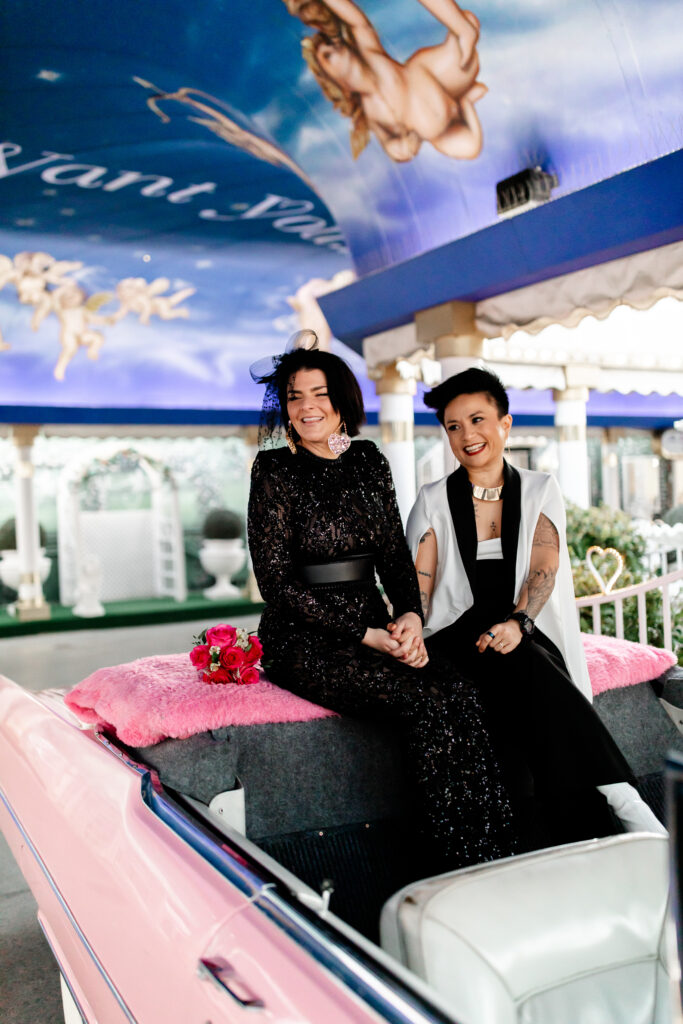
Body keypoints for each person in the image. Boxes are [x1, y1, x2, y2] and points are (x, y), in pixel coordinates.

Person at [248, 335, 515, 868]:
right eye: (295, 396)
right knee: (422, 700)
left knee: (458, 689)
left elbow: (394, 554)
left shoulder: (369, 461)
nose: (306, 407)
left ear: (342, 400)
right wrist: (367, 635)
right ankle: (449, 863)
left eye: (318, 393)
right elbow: (276, 583)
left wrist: (411, 617)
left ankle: (496, 856)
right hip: (301, 634)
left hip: (375, 621)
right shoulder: (272, 471)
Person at [407, 367, 665, 848]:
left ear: (505, 424)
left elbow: (543, 567)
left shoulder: (540, 487)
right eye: (454, 426)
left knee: (522, 662)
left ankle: (561, 833)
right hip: (454, 633)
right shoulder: (433, 499)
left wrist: (518, 622)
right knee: (524, 665)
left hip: (519, 629)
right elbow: (421, 585)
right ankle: (622, 798)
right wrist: (410, 626)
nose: (467, 435)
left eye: (478, 419)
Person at [283, 0, 486, 161]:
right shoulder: (371, 110)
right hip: (435, 122)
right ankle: (464, 102)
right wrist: (401, 147)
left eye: (330, 42)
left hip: (429, 78)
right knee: (469, 147)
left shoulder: (370, 53)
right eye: (326, 56)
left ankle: (459, 93)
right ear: (335, 82)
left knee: (468, 21)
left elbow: (357, 22)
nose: (333, 47)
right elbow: (389, 145)